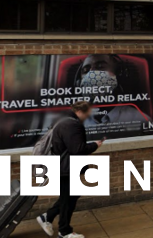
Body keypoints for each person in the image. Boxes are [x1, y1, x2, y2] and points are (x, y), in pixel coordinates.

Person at [36, 101, 105, 238]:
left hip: (64, 166)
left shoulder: (64, 120)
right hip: (66, 168)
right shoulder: (71, 124)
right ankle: (64, 231)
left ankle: (47, 217)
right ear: (80, 112)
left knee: (71, 196)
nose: (88, 116)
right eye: (87, 113)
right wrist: (95, 145)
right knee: (69, 198)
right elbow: (77, 149)